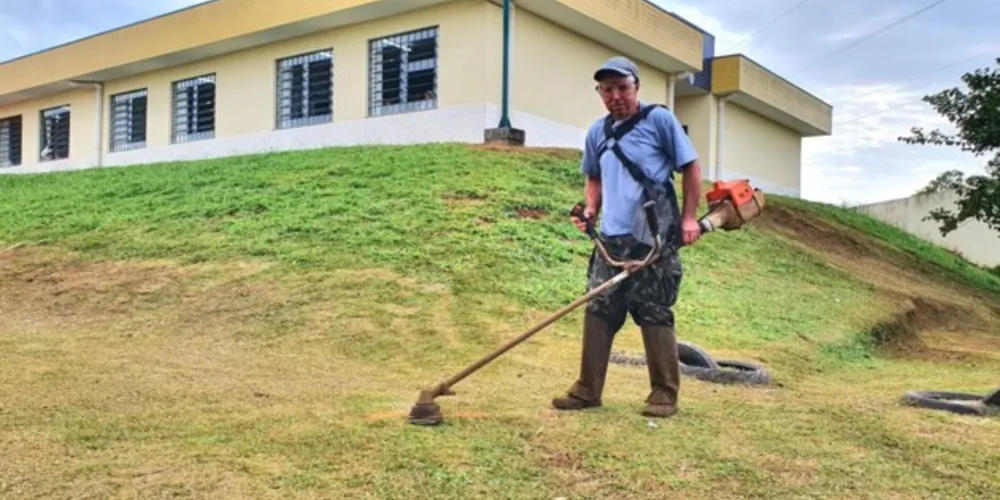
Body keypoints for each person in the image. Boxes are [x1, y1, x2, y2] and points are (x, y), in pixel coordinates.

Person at [551, 56, 703, 418]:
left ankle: (664, 394)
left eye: (622, 87)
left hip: (653, 236)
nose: (615, 95)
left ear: (636, 87)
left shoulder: (659, 120)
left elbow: (691, 167)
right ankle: (587, 390)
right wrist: (590, 209)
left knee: (654, 310)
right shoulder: (596, 132)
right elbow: (593, 178)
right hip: (611, 239)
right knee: (599, 308)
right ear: (599, 93)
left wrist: (689, 218)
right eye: (607, 89)